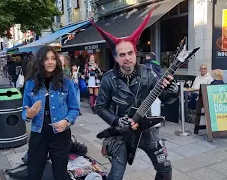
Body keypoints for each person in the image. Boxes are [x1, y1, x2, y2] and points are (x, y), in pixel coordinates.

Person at [91, 7, 181, 180]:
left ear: (135, 53)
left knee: (165, 169)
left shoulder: (149, 73)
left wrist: (172, 89)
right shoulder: (108, 79)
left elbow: (166, 98)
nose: (127, 58)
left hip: (147, 130)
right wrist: (117, 120)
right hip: (119, 132)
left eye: (130, 53)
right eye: (122, 54)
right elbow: (100, 107)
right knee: (116, 175)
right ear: (116, 58)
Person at [22, 46, 79, 180]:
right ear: (40, 61)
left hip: (60, 132)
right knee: (34, 172)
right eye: (46, 59)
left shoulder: (65, 82)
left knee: (60, 173)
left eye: (53, 58)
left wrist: (66, 121)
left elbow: (74, 108)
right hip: (38, 132)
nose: (50, 62)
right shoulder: (30, 83)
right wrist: (28, 115)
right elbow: (24, 111)